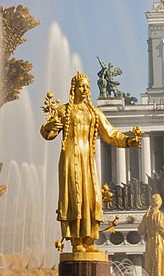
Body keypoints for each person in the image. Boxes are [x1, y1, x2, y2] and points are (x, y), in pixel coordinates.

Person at [41, 72, 141, 252]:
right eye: (81, 86)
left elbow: (110, 134)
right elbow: (48, 134)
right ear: (74, 88)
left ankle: (89, 239)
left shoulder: (94, 113)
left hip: (87, 159)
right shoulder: (64, 111)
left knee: (91, 197)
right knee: (74, 197)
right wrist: (50, 126)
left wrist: (128, 141)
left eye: (87, 86)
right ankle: (76, 240)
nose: (85, 89)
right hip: (70, 158)